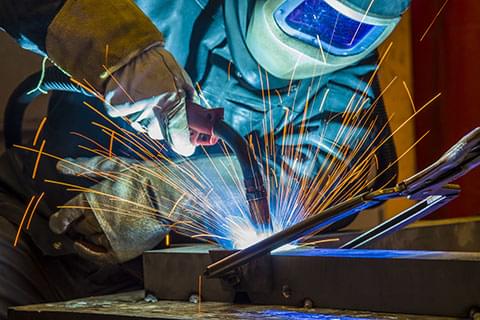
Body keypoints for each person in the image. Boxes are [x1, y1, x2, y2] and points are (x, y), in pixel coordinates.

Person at [0, 0, 410, 317]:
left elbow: (334, 177)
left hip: (155, 291)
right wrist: (122, 49)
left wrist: (166, 197)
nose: (323, 37)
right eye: (313, 13)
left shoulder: (345, 85)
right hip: (30, 231)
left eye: (354, 31)